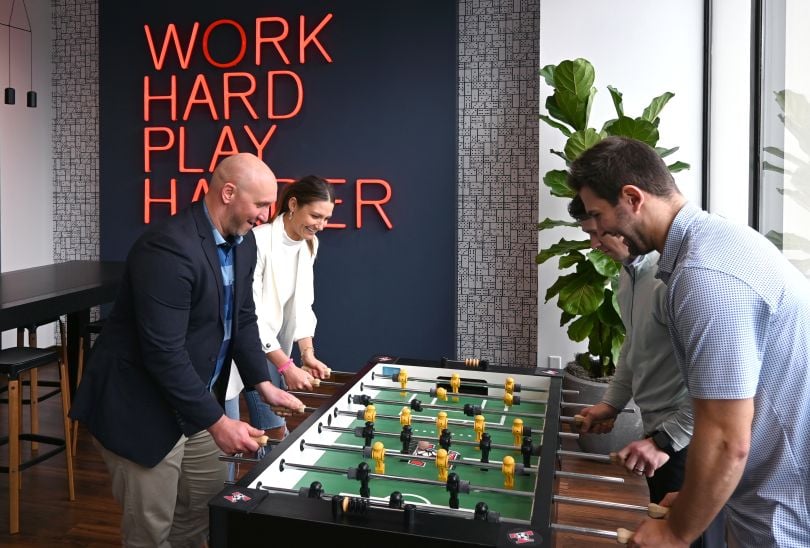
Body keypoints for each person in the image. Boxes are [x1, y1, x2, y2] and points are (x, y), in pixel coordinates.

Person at [569, 136, 810, 547]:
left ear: (632, 198)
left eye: (598, 215)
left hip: (783, 502)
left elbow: (724, 437)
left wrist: (675, 532)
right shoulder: (710, 246)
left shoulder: (705, 274)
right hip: (763, 489)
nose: (598, 233)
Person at [69, 153, 305, 547]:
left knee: (200, 516)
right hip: (140, 410)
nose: (266, 216)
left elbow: (242, 319)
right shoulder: (167, 248)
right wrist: (219, 423)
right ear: (228, 192)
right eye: (261, 204)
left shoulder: (243, 244)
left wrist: (262, 384)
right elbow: (164, 353)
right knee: (151, 533)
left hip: (194, 405)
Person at [569, 195, 721, 547]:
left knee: (686, 539)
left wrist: (664, 441)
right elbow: (632, 349)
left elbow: (709, 385)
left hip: (687, 441)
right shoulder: (627, 277)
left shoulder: (674, 280)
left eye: (599, 231)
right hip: (657, 432)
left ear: (623, 220)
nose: (595, 244)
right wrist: (611, 404)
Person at [225, 175, 335, 441]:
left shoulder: (310, 243)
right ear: (294, 204)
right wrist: (286, 367)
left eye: (327, 218)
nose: (321, 225)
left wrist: (307, 353)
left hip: (271, 350)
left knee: (275, 432)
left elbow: (303, 302)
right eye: (316, 216)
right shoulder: (256, 241)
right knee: (230, 440)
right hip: (236, 347)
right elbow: (251, 313)